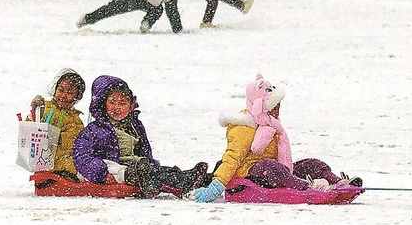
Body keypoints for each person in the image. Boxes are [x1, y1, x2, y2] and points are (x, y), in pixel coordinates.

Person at [190, 76, 360, 203]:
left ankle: (338, 182)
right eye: (274, 106)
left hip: (278, 170)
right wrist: (216, 186)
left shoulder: (272, 124)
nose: (278, 109)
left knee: (312, 164)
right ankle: (309, 188)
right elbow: (232, 158)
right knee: (271, 167)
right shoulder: (244, 126)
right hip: (251, 172)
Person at [72, 75, 208, 197]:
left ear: (130, 105)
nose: (117, 107)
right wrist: (100, 173)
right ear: (103, 104)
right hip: (114, 170)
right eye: (112, 102)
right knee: (133, 170)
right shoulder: (94, 130)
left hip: (138, 167)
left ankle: (193, 179)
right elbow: (81, 156)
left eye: (122, 103)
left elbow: (145, 150)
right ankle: (182, 182)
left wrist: (149, 163)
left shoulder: (135, 126)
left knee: (156, 171)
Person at [29, 69, 87, 177]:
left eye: (69, 93)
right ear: (55, 90)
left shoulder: (77, 120)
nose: (63, 95)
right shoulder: (46, 108)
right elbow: (30, 128)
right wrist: (35, 110)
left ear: (78, 97)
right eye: (61, 90)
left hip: (69, 165)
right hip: (49, 164)